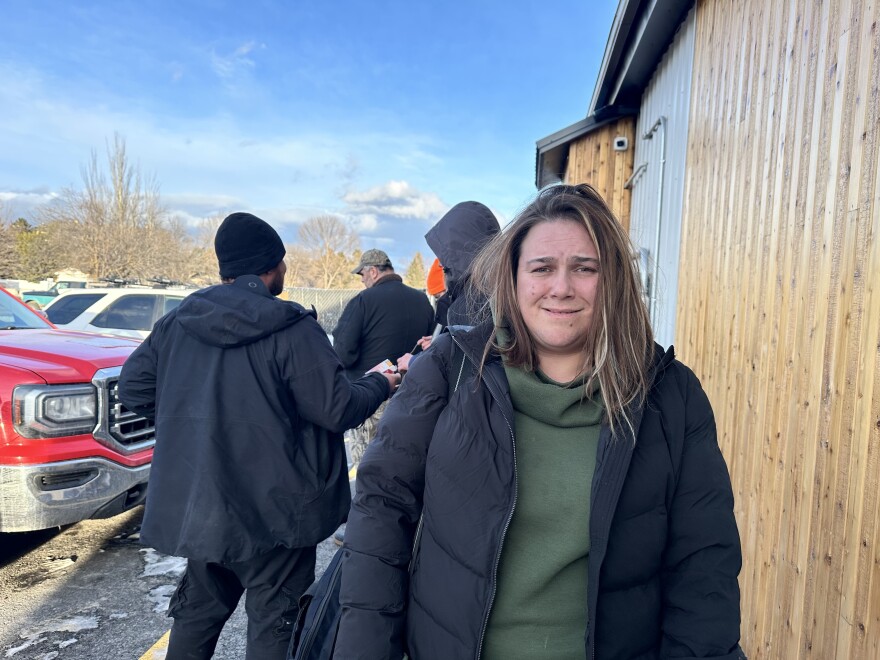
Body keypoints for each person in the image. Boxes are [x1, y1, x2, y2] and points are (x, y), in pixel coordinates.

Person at [334, 184, 744, 659]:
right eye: (542, 268)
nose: (561, 287)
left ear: (612, 279)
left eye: (584, 268)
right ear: (512, 278)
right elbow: (382, 509)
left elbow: (703, 566)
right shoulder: (450, 369)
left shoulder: (670, 396)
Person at [118, 212, 398, 660]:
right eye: (283, 262)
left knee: (196, 616)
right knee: (275, 628)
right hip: (278, 516)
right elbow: (338, 407)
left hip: (205, 504)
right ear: (271, 266)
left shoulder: (179, 321)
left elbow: (133, 389)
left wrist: (192, 417)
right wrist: (383, 381)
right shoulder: (291, 327)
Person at [332, 248, 434, 465]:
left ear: (373, 272)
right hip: (414, 397)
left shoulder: (364, 301)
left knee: (371, 467)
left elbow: (342, 352)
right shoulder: (422, 300)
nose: (362, 280)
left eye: (362, 274)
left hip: (373, 399)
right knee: (405, 464)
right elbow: (430, 347)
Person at [424, 200, 500, 328]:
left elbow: (460, 346)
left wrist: (436, 346)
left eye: (444, 262)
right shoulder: (500, 295)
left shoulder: (468, 308)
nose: (441, 266)